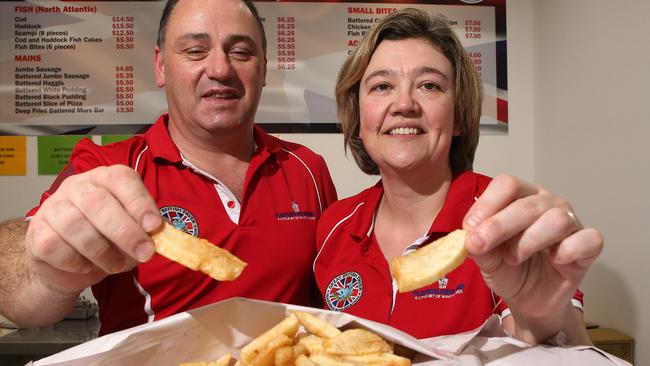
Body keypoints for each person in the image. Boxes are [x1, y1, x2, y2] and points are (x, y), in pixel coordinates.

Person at [0, 0, 337, 336]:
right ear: (161, 67)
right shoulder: (108, 167)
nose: (220, 68)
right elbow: (15, 287)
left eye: (240, 52)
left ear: (263, 70)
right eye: (194, 50)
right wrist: (46, 269)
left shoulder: (308, 169)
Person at [314, 8, 603, 345]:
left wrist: (542, 317)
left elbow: (563, 346)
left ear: (458, 118)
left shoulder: (504, 219)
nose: (404, 103)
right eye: (381, 86)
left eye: (429, 85)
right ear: (359, 118)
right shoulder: (333, 225)